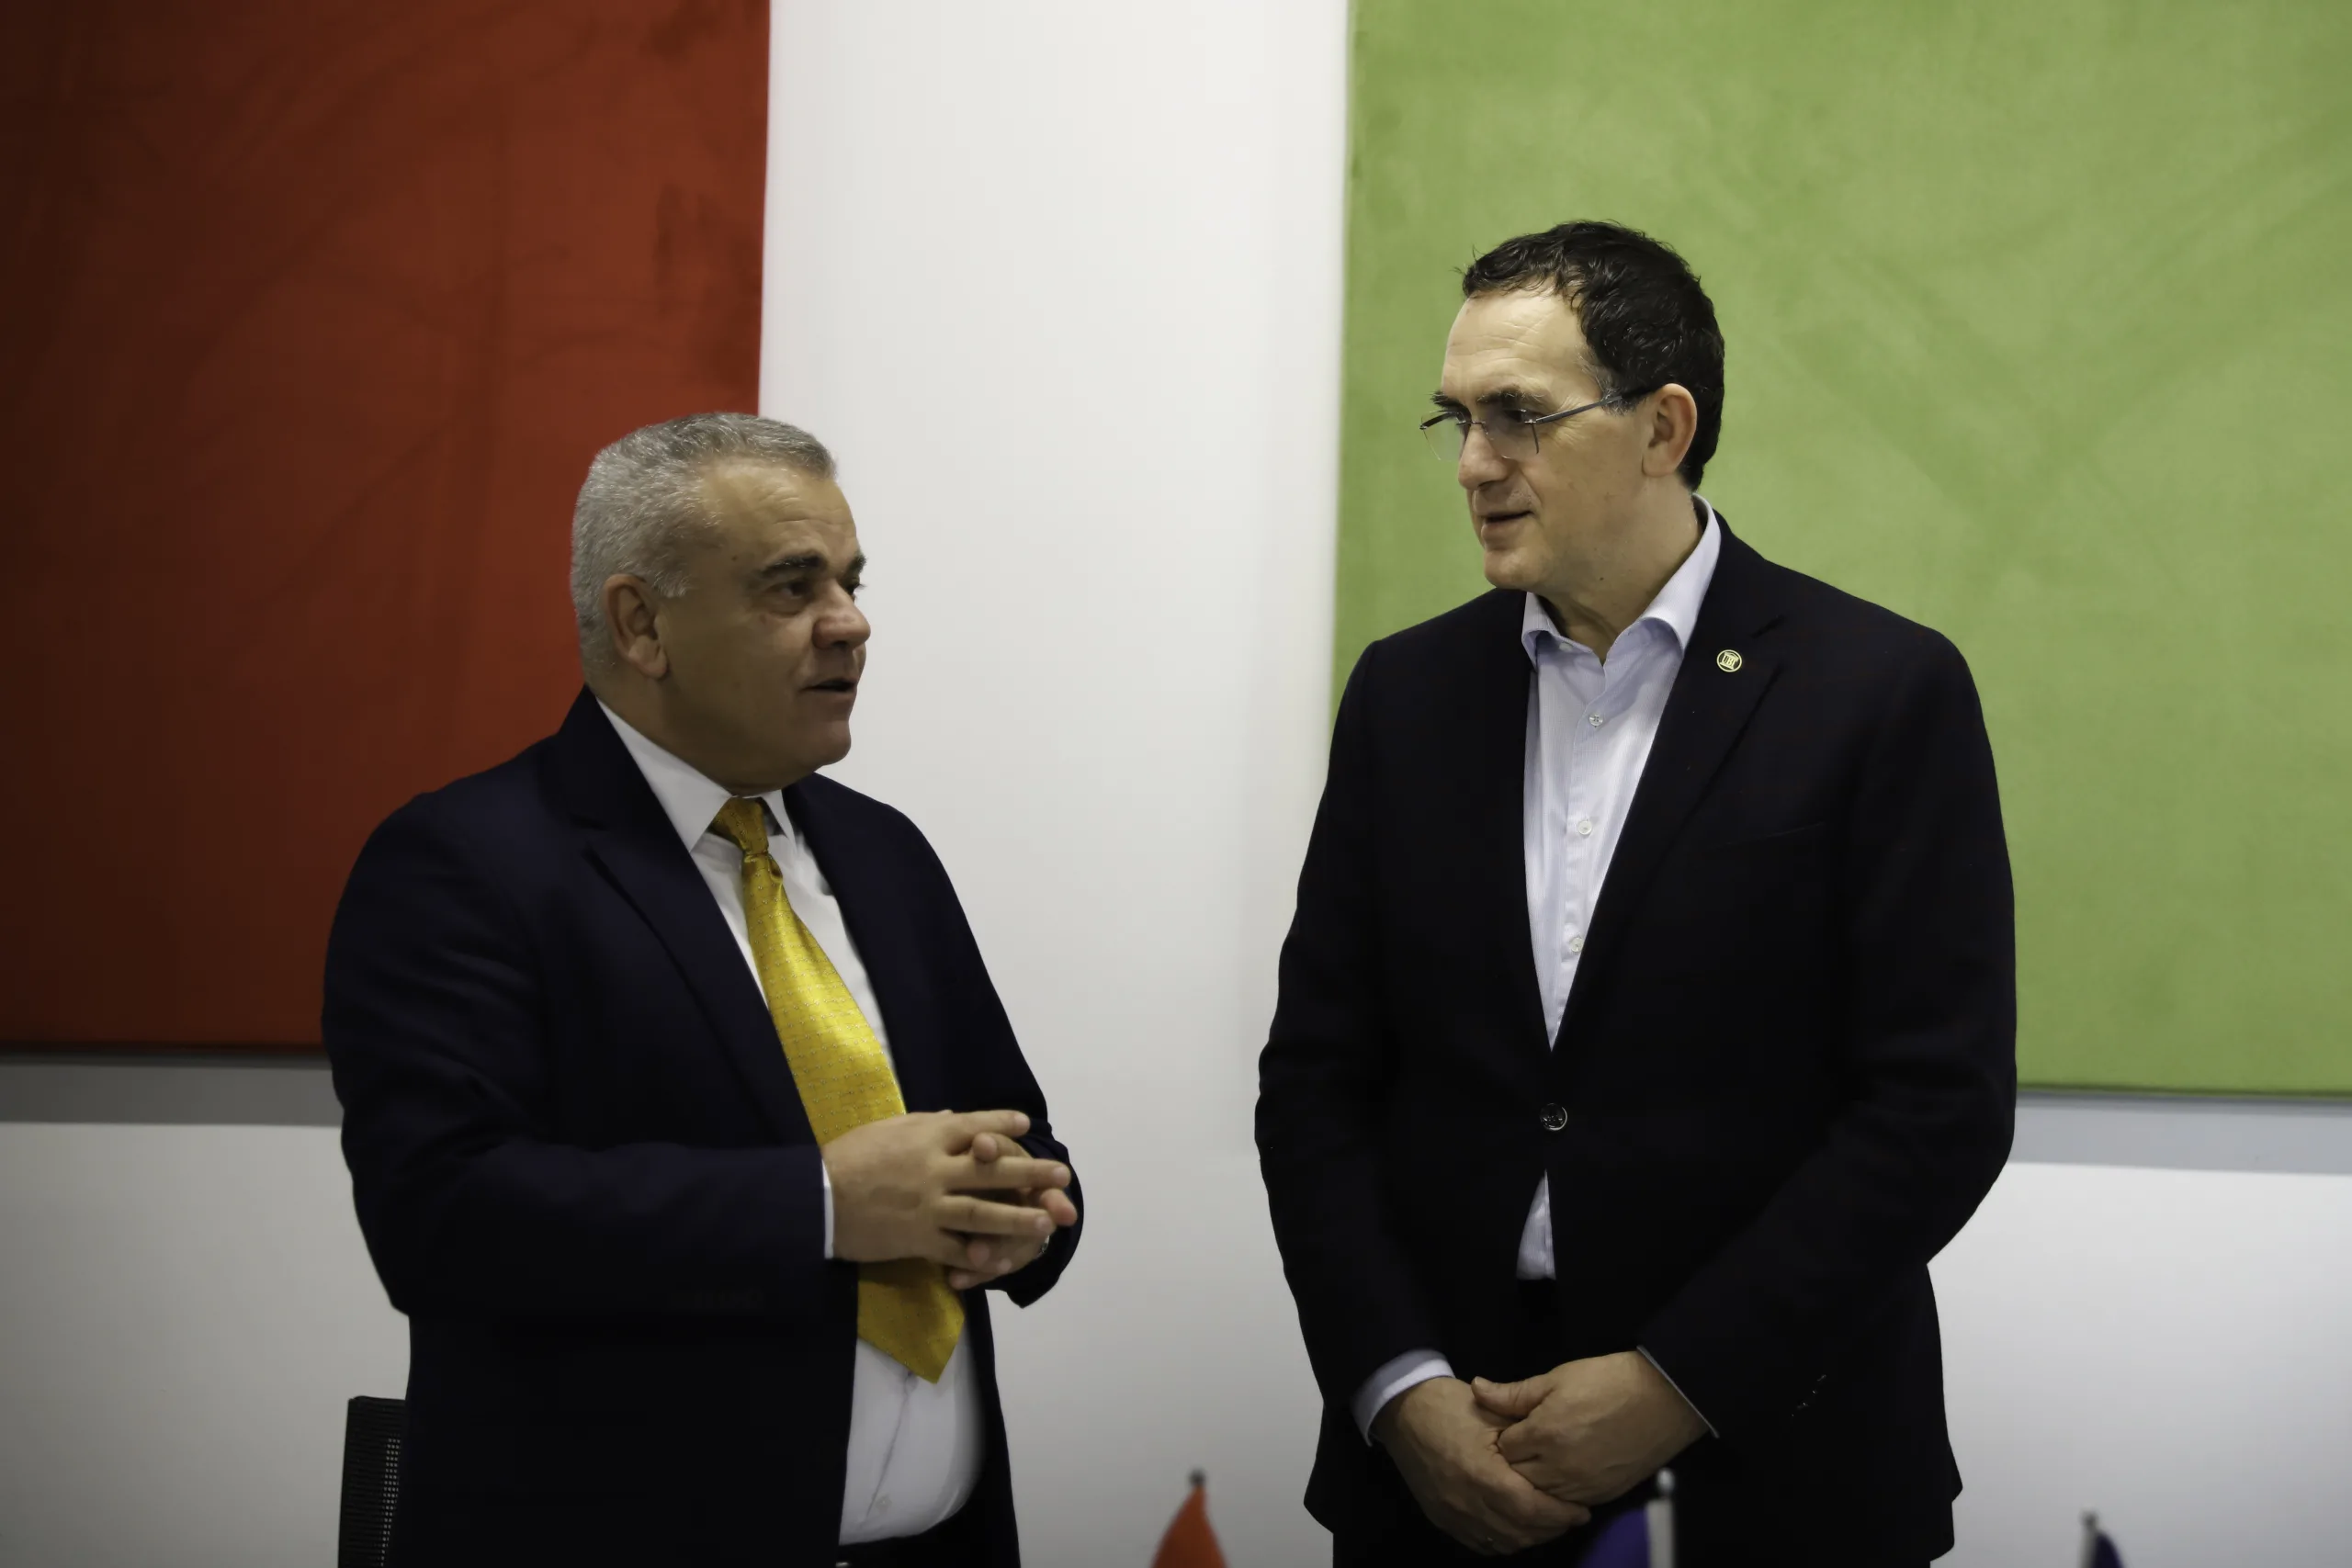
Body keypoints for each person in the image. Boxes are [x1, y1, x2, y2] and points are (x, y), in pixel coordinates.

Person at [1256, 221, 2014, 1566]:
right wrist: (1398, 1390)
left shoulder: (1879, 691)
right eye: (1458, 420)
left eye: (1518, 416)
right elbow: (1317, 1082)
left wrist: (1678, 1383)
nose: (1474, 461)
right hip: (1445, 1463)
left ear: (1664, 427)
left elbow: (1936, 1109)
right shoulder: (1405, 694)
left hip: (1774, 1459)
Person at [325, 413, 1081, 1567]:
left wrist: (1021, 1213)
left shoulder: (884, 854)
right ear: (642, 624)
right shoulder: (466, 863)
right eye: (792, 586)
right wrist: (821, 1205)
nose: (850, 621)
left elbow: (1016, 1134)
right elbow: (441, 1219)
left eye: (851, 582)